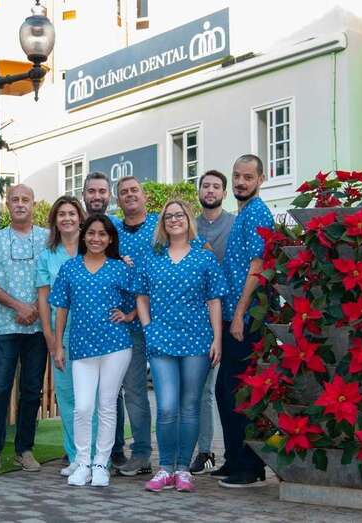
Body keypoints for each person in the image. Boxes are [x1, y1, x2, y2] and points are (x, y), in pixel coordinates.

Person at [135, 199, 223, 493]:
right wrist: (148, 328)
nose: (174, 219)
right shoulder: (153, 257)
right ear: (163, 223)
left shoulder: (204, 256)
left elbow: (214, 301)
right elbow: (142, 297)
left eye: (179, 215)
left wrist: (217, 338)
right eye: (169, 216)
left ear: (188, 220)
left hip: (197, 340)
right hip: (161, 340)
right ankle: (165, 468)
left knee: (190, 406)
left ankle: (184, 469)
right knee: (167, 406)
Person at [49, 214, 134, 487]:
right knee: (83, 407)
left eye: (102, 234)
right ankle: (83, 462)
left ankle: (101, 463)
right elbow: (61, 307)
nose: (96, 238)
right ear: (84, 235)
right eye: (92, 233)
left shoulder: (120, 268)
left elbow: (141, 296)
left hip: (115, 345)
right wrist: (58, 345)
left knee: (107, 405)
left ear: (110, 239)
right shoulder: (70, 268)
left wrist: (129, 315)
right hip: (82, 347)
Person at [0, 184, 49, 472]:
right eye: (14, 199)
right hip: (5, 326)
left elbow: (56, 276)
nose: (19, 204)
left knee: (32, 390)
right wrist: (20, 306)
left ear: (33, 203)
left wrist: (34, 309)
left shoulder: (47, 238)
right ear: (7, 204)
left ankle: (24, 450)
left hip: (39, 327)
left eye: (25, 199)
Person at [217, 154, 274, 488]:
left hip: (247, 316)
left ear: (260, 179)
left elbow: (258, 267)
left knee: (239, 391)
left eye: (247, 177)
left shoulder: (257, 214)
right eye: (237, 176)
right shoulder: (244, 214)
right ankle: (233, 459)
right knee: (226, 390)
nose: (240, 182)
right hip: (231, 315)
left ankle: (249, 467)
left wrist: (239, 312)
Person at [35, 195, 91, 477]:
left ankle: (96, 456)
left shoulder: (93, 247)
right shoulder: (47, 255)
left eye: (71, 213)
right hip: (62, 332)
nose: (67, 218)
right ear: (55, 221)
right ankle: (75, 456)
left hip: (94, 332)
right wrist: (48, 334)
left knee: (90, 398)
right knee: (68, 397)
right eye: (61, 214)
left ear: (80, 217)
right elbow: (43, 298)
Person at [190, 170, 235, 476]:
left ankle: (209, 452)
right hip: (190, 317)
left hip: (225, 314)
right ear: (199, 191)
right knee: (192, 390)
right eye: (205, 185)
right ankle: (193, 450)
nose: (210, 190)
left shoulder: (234, 224)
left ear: (224, 191)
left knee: (212, 388)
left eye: (216, 186)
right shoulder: (187, 225)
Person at [111, 176, 155, 476]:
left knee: (154, 392)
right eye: (123, 192)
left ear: (144, 196)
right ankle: (128, 452)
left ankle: (157, 454)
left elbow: (191, 248)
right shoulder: (112, 230)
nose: (129, 195)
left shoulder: (159, 225)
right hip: (122, 321)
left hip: (158, 320)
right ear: (118, 199)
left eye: (134, 190)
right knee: (125, 390)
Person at [81, 171, 126, 466]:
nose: (97, 196)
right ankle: (80, 453)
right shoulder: (73, 225)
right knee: (81, 399)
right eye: (92, 191)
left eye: (102, 191)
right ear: (84, 194)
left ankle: (115, 449)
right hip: (80, 326)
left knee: (112, 395)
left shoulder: (116, 227)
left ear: (108, 195)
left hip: (115, 329)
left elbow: (128, 272)